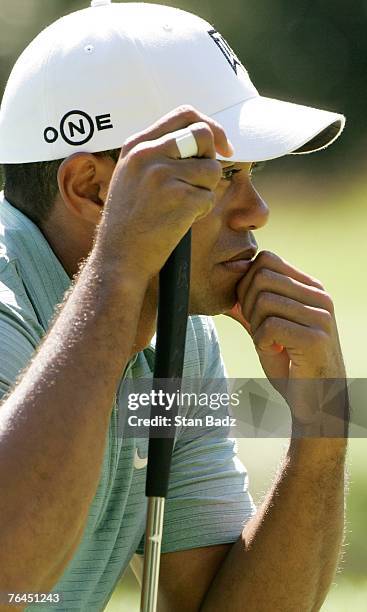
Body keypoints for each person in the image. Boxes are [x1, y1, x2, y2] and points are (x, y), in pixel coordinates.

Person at [0, 1, 348, 611]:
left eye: (250, 172)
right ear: (92, 188)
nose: (256, 210)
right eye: (217, 176)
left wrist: (322, 427)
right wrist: (116, 272)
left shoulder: (173, 328)